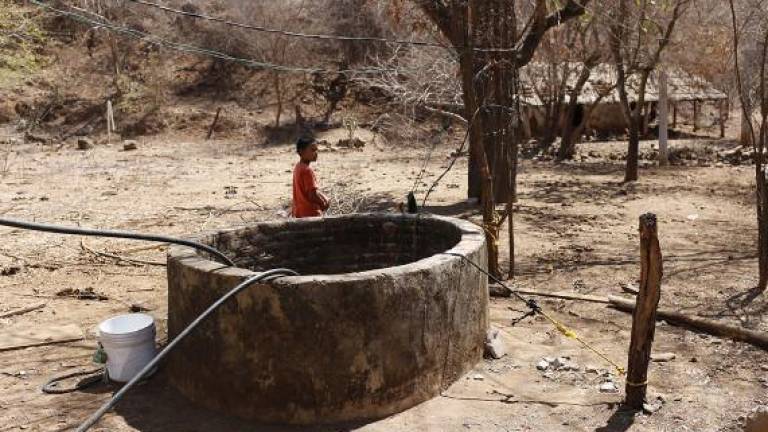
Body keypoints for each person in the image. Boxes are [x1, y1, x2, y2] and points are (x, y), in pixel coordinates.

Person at [292, 137, 329, 218]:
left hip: (300, 214)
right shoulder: (307, 170)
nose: (316, 153)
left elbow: (309, 191)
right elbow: (312, 195)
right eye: (312, 150)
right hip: (311, 214)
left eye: (316, 150)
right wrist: (323, 203)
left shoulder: (298, 167)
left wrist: (323, 197)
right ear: (301, 151)